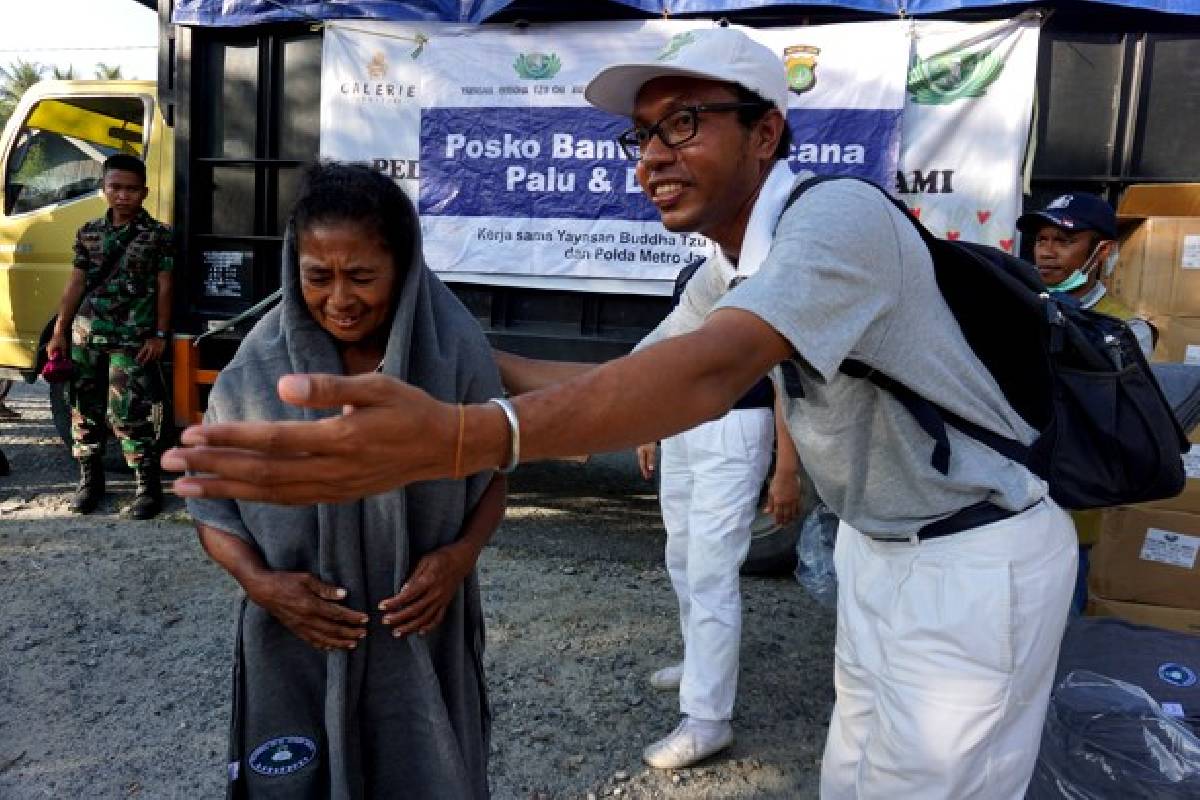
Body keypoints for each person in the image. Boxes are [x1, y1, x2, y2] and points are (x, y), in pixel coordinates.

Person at [165, 26, 1077, 799]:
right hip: (880, 553)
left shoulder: (836, 219)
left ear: (768, 134)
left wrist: (461, 433)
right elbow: (632, 376)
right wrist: (455, 369)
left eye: (685, 123)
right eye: (641, 134)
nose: (651, 155)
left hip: (970, 555)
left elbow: (708, 375)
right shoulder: (725, 267)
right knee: (856, 778)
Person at [186, 162, 505, 798]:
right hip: (296, 633)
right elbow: (211, 509)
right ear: (292, 267)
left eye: (362, 276)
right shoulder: (256, 369)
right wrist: (261, 583)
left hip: (417, 627)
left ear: (405, 267)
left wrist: (458, 558)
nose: (339, 299)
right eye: (317, 276)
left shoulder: (457, 356)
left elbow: (494, 476)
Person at [633, 260, 802, 769]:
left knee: (711, 568)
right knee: (681, 554)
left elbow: (783, 381)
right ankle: (698, 663)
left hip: (736, 427)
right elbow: (665, 354)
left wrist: (787, 468)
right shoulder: (700, 273)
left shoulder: (765, 274)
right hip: (681, 421)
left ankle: (708, 719)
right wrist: (648, 422)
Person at [1018, 193, 1154, 614]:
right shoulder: (1014, 306)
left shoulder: (1126, 330)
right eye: (1042, 239)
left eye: (1064, 240)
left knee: (1056, 632)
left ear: (1102, 251)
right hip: (1003, 506)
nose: (1047, 252)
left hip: (1069, 512)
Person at [46, 153, 173, 519]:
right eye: (115, 187)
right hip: (86, 335)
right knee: (83, 410)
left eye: (131, 189)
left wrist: (160, 334)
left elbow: (165, 287)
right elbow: (75, 284)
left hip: (132, 340)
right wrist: (59, 333)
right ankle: (90, 482)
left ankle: (148, 489)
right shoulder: (87, 233)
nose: (123, 196)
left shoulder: (158, 235)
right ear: (103, 188)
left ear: (144, 192)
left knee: (130, 413)